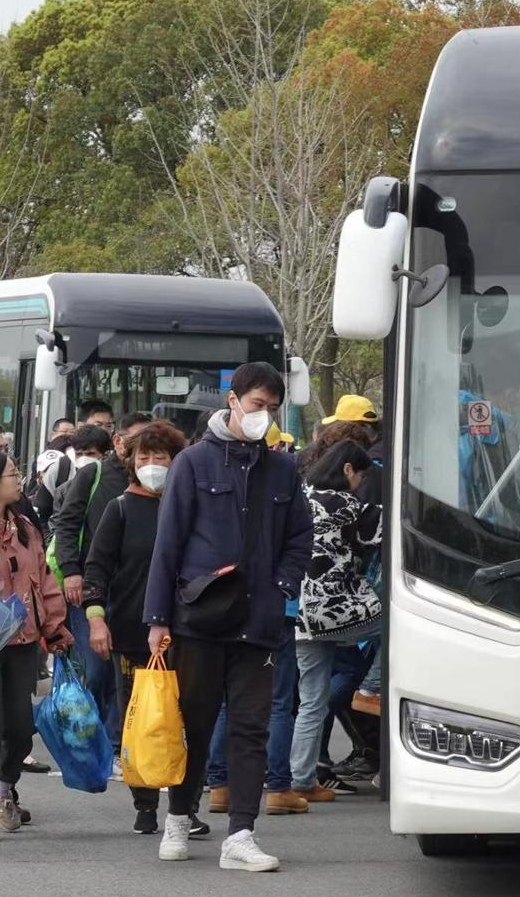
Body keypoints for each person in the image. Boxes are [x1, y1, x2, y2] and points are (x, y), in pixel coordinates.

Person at [144, 362, 313, 872]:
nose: (265, 415)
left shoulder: (282, 469)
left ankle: (241, 833)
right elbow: (167, 544)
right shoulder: (193, 462)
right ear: (233, 400)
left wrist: (282, 586)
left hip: (258, 621)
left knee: (250, 728)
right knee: (193, 724)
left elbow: (300, 538)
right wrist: (158, 618)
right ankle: (178, 816)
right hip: (198, 618)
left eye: (273, 408)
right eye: (258, 404)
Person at [0, 451, 73, 843]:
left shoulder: (25, 528)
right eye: (12, 473)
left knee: (22, 729)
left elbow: (44, 580)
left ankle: (5, 790)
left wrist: (55, 628)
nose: (18, 479)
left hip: (23, 641)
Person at [82, 419, 192, 835]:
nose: (151, 465)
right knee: (141, 719)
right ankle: (145, 803)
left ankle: (184, 805)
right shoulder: (121, 508)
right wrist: (96, 620)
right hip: (131, 633)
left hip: (188, 630)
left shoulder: (189, 505)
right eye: (143, 457)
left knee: (186, 718)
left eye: (160, 457)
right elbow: (97, 569)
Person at [290, 441, 382, 801]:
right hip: (338, 608)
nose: (360, 483)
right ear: (347, 470)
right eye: (360, 476)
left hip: (303, 613)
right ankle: (370, 689)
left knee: (312, 701)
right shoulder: (345, 503)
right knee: (397, 624)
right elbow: (385, 526)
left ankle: (301, 779)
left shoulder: (302, 496)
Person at [53, 415, 149, 728]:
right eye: (135, 441)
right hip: (91, 587)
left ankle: (114, 739)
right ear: (118, 441)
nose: (143, 451)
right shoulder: (93, 474)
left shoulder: (153, 480)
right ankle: (91, 734)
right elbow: (67, 524)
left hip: (133, 592)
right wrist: (71, 570)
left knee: (124, 672)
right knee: (96, 668)